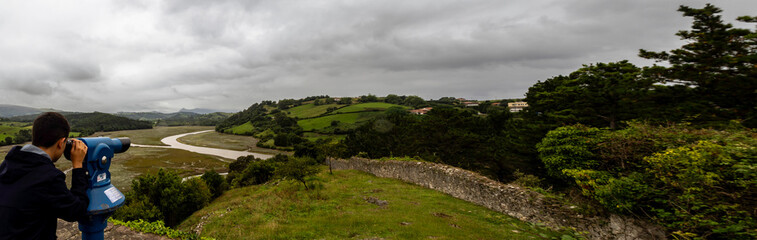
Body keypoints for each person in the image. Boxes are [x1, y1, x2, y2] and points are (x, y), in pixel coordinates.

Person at [0, 112, 89, 239]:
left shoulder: (8, 164)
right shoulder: (48, 177)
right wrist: (78, 165)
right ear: (61, 142)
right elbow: (76, 210)